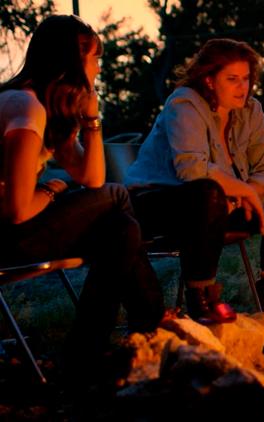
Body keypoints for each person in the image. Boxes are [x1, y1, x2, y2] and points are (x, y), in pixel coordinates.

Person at [0, 15, 164, 373]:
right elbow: (15, 209)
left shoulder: (43, 105)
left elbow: (91, 178)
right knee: (118, 199)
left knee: (121, 227)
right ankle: (151, 326)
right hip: (7, 237)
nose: (99, 67)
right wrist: (50, 189)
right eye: (95, 58)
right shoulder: (25, 107)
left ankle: (92, 353)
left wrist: (92, 119)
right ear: (71, 62)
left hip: (18, 230)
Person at [125, 38, 264, 321]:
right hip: (155, 205)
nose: (242, 87)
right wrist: (241, 191)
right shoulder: (184, 103)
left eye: (246, 78)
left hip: (218, 206)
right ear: (209, 79)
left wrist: (247, 193)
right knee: (207, 193)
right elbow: (192, 168)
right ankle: (202, 297)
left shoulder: (250, 110)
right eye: (232, 79)